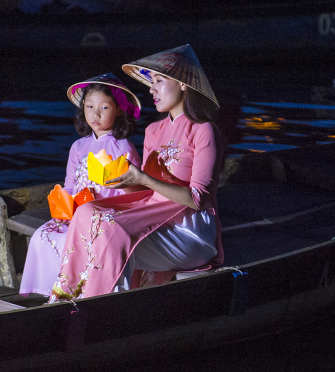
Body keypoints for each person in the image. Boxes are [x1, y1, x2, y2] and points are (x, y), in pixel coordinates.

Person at [51, 44, 225, 301]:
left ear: (183, 84)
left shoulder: (204, 130)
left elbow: (199, 199)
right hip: (153, 216)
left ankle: (108, 307)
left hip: (189, 231)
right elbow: (145, 191)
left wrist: (143, 177)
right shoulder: (154, 130)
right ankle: (71, 298)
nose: (151, 89)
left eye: (158, 80)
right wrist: (125, 181)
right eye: (151, 82)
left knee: (110, 230)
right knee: (87, 212)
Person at [19, 73, 142, 296]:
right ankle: (55, 292)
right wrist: (63, 208)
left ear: (118, 110)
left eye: (104, 107)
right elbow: (70, 186)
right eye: (89, 106)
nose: (95, 114)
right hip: (76, 212)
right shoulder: (78, 146)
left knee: (81, 242)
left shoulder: (123, 147)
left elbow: (133, 192)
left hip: (108, 214)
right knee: (43, 235)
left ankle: (84, 292)